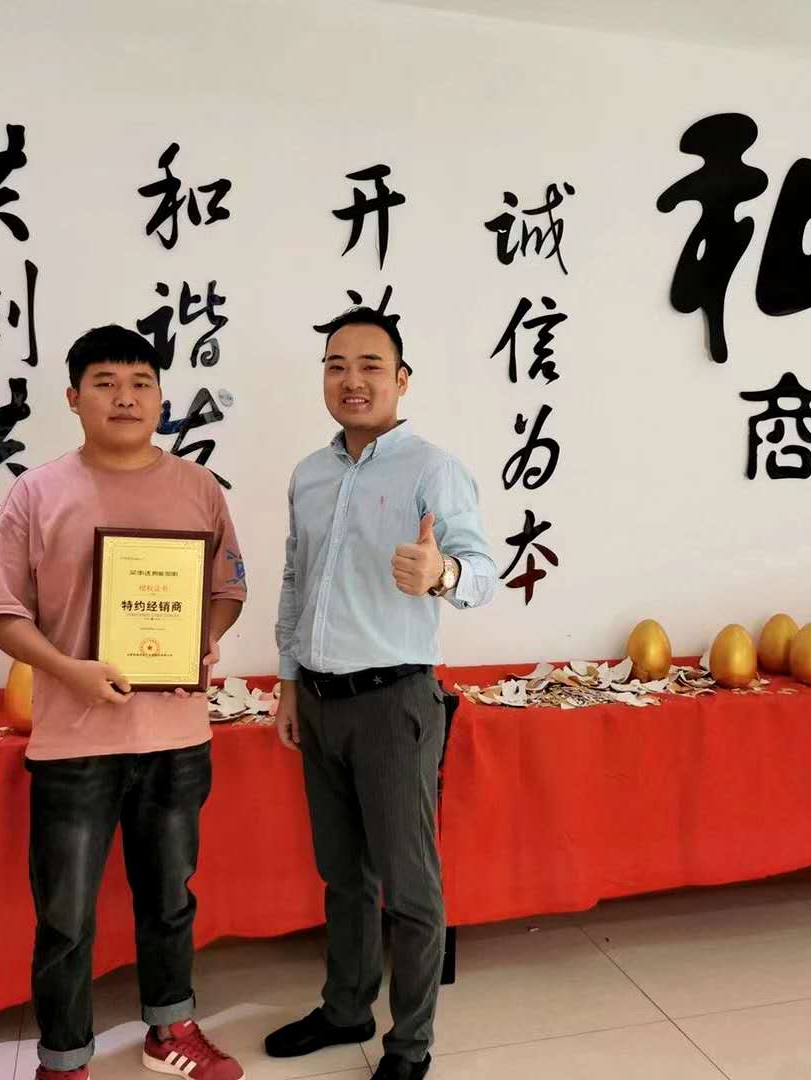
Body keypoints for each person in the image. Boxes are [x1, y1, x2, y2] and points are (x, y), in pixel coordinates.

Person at [0, 325, 247, 1080]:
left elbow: (227, 589)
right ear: (73, 397)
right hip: (75, 740)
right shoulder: (36, 492)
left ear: (160, 398)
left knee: (171, 898)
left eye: (141, 382)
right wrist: (69, 670)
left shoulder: (199, 488)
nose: (126, 397)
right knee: (65, 917)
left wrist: (204, 638)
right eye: (105, 383)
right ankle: (63, 1060)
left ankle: (170, 1031)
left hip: (176, 736)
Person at [265, 307, 498, 1080]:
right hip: (319, 700)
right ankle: (346, 1009)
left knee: (409, 885)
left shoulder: (432, 470)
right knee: (342, 875)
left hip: (395, 704)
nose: (352, 380)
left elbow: (483, 572)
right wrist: (289, 683)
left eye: (370, 365)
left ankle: (410, 1044)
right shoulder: (310, 474)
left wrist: (443, 573)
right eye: (337, 365)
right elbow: (295, 580)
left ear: (401, 379)